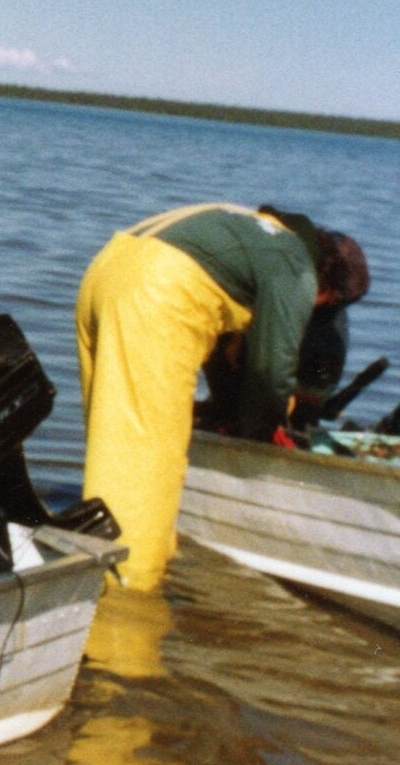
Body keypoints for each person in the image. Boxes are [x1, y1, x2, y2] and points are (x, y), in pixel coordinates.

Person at [75, 203, 370, 590]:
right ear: (327, 290)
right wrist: (264, 427)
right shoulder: (298, 269)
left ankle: (93, 570)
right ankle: (126, 602)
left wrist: (227, 408)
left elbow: (224, 342)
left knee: (114, 447)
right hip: (156, 292)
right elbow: (270, 367)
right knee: (147, 463)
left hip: (106, 272)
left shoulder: (253, 227)